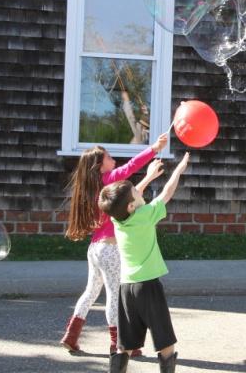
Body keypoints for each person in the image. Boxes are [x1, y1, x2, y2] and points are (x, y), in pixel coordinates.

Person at [59, 132, 168, 355]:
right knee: (114, 295)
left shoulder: (92, 187)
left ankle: (71, 336)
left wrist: (148, 178)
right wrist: (155, 148)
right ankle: (119, 343)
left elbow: (129, 196)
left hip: (96, 249)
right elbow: (130, 167)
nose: (113, 161)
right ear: (100, 166)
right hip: (110, 249)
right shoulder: (108, 180)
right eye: (109, 158)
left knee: (90, 292)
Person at [100, 152, 191, 373]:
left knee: (125, 344)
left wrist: (149, 177)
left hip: (126, 287)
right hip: (148, 286)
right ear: (132, 206)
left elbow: (128, 199)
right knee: (164, 340)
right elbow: (167, 193)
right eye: (136, 193)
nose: (139, 192)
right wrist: (178, 170)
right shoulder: (146, 215)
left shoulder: (117, 218)